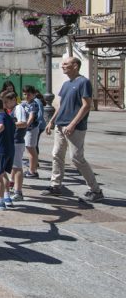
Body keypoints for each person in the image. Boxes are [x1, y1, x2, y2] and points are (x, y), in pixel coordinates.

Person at [42, 57, 103, 202]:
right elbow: (61, 105)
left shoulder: (84, 82)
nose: (62, 66)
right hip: (60, 125)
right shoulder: (66, 84)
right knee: (57, 154)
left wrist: (72, 124)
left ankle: (96, 190)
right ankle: (55, 186)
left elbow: (86, 105)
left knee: (76, 158)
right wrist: (52, 121)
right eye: (62, 64)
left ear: (75, 66)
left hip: (75, 127)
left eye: (65, 64)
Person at [6, 91, 28, 204]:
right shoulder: (13, 109)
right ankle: (12, 184)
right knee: (14, 166)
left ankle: (18, 192)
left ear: (13, 100)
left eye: (7, 102)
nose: (5, 104)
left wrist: (8, 125)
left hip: (17, 141)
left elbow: (23, 123)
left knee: (17, 167)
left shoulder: (19, 108)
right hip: (14, 141)